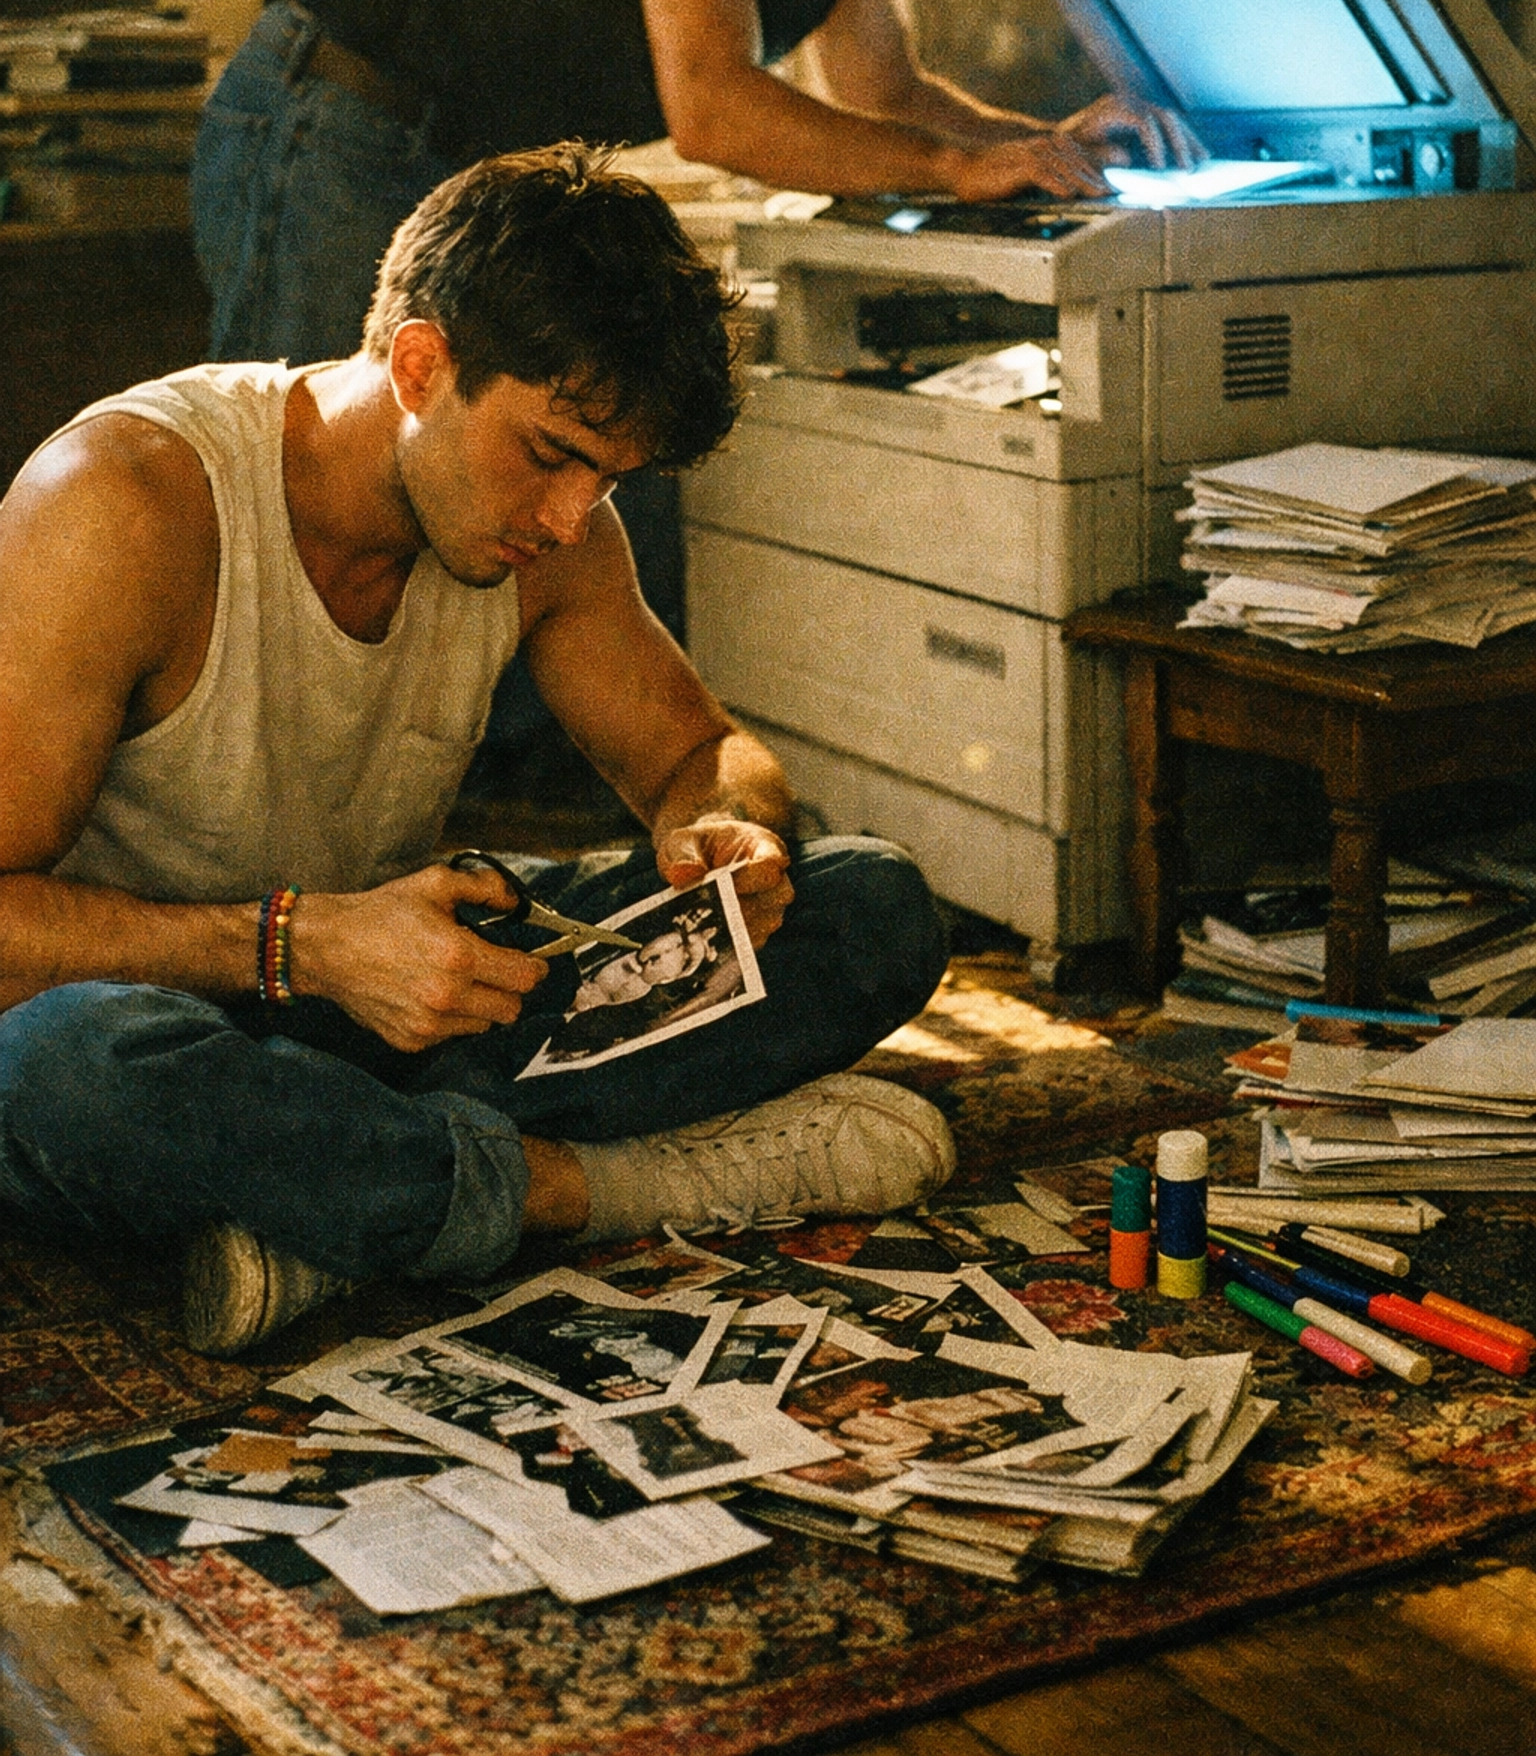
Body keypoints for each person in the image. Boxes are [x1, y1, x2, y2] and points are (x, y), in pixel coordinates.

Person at [0, 147, 952, 1357]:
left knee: (870, 899)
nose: (569, 518)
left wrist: (726, 829)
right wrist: (299, 946)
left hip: (382, 1003)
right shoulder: (123, 501)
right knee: (60, 1071)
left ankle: (343, 1197)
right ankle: (590, 1190)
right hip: (147, 1013)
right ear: (418, 364)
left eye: (608, 477)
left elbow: (696, 751)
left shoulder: (564, 533)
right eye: (552, 453)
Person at [189, 0, 1198, 759]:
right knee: (316, 494)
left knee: (524, 493)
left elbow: (888, 97)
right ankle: (251, 819)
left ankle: (445, 803)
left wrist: (1040, 149)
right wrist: (962, 168)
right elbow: (713, 108)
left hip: (448, 159)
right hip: (333, 112)